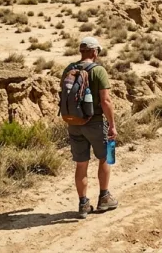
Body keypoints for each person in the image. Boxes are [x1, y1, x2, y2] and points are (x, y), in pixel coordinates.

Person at [64, 37, 118, 218]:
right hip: (94, 122)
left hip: (74, 123)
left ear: (82, 51)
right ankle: (104, 198)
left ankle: (83, 204)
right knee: (105, 158)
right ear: (94, 52)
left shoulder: (68, 69)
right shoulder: (98, 70)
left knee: (81, 164)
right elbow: (106, 101)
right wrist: (112, 125)